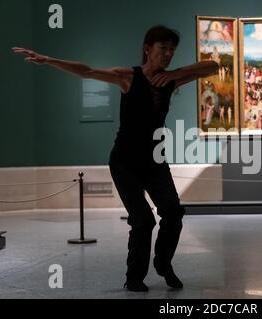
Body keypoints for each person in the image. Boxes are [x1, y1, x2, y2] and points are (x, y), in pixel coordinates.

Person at [12, 25, 219, 292]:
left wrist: (176, 73)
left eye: (171, 50)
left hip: (155, 160)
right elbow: (86, 70)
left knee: (173, 212)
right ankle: (134, 277)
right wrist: (49, 60)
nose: (168, 54)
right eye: (162, 48)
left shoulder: (171, 80)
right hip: (125, 162)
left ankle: (163, 263)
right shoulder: (128, 77)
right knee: (143, 220)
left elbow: (212, 66)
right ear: (147, 48)